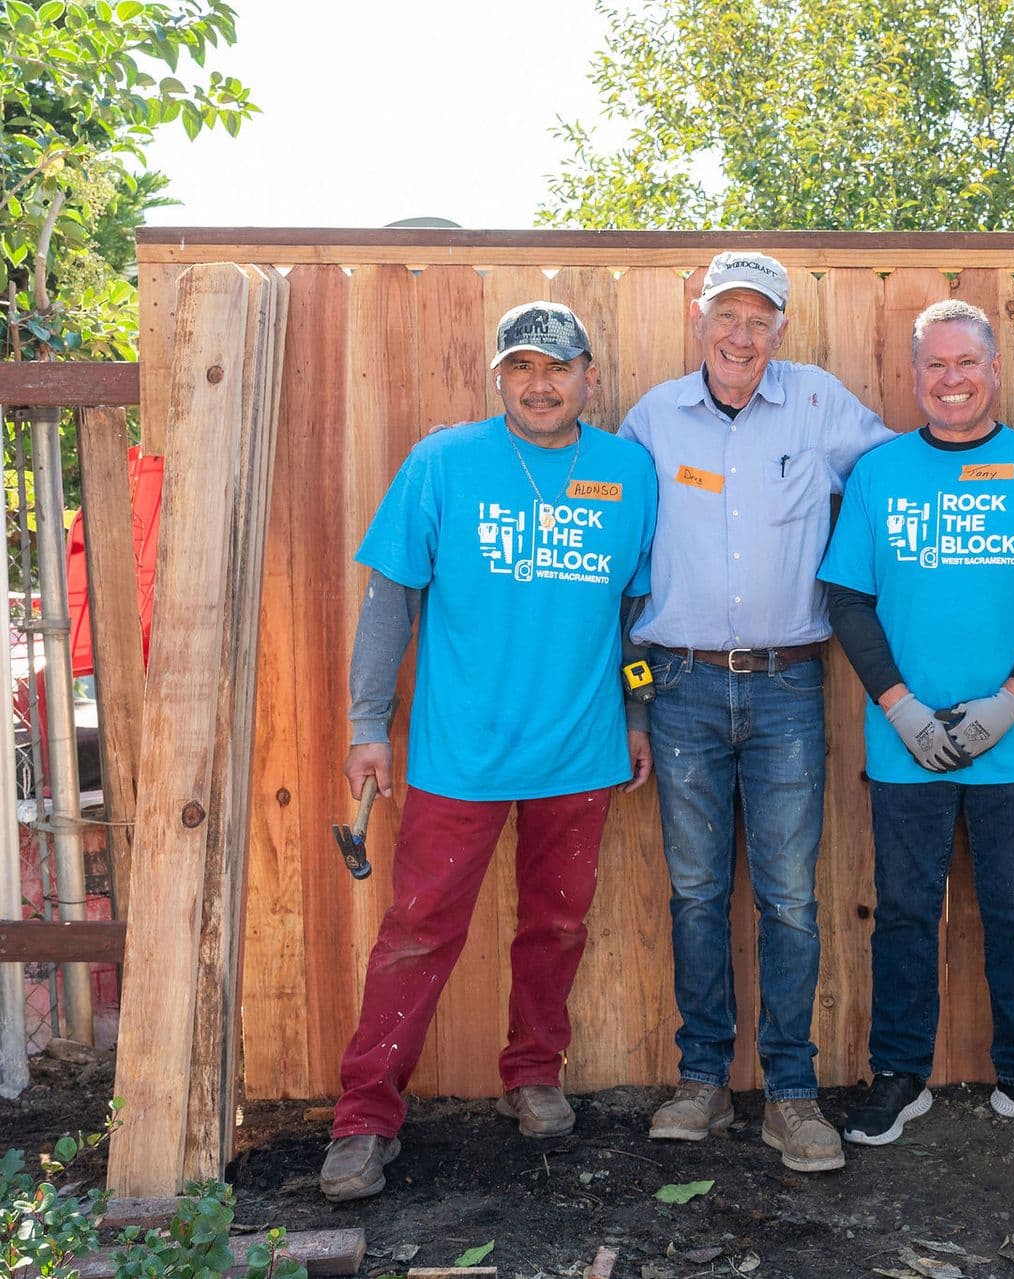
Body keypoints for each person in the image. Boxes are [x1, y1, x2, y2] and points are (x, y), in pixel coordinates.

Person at [620, 252, 1014, 1174]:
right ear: (699, 318)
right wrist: (632, 693)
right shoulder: (651, 420)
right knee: (704, 892)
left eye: (760, 319)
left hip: (797, 687)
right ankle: (708, 1079)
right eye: (727, 316)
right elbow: (626, 568)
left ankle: (809, 1091)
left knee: (807, 899)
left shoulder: (832, 411)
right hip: (684, 687)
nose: (742, 335)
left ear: (780, 327)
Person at [319, 302, 658, 1202]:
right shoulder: (442, 464)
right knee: (418, 933)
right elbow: (389, 603)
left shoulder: (628, 472)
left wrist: (639, 718)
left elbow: (637, 620)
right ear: (497, 378)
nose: (539, 385)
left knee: (558, 926)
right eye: (521, 369)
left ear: (589, 374)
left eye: (557, 367)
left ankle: (534, 1073)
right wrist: (365, 724)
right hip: (456, 756)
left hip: (582, 753)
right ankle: (363, 1118)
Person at [818, 300, 1014, 1148]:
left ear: (993, 371)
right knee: (905, 911)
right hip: (908, 744)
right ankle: (899, 1076)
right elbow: (848, 599)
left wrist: (1011, 701)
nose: (951, 380)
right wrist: (899, 706)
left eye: (965, 363)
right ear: (914, 377)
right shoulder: (880, 473)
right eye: (934, 365)